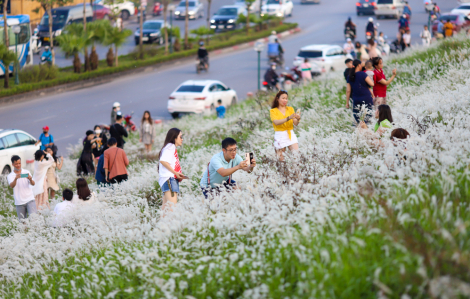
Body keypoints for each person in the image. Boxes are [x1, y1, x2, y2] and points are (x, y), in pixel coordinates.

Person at [158, 128, 186, 214]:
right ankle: (170, 227)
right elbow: (163, 161)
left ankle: (160, 227)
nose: (182, 139)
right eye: (180, 137)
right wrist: (175, 173)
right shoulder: (171, 146)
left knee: (165, 209)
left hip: (167, 180)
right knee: (172, 210)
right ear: (174, 138)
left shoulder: (168, 147)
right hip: (169, 180)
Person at [270, 90, 301, 161]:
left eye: (286, 98)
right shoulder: (273, 111)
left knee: (296, 157)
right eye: (283, 98)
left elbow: (295, 123)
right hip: (280, 135)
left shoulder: (290, 109)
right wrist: (289, 118)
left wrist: (298, 119)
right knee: (281, 160)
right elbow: (276, 122)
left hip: (290, 133)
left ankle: (296, 171)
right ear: (277, 99)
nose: (285, 100)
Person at [7, 155, 37, 221]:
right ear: (12, 164)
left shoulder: (26, 172)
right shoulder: (10, 176)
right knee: (22, 222)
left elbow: (33, 184)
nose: (18, 165)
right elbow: (12, 186)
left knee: (34, 219)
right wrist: (15, 179)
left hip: (30, 199)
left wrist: (30, 179)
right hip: (19, 202)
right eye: (16, 164)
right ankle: (24, 231)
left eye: (19, 163)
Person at [346, 59, 374, 124]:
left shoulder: (349, 76)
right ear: (359, 65)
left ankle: (359, 128)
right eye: (361, 65)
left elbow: (348, 91)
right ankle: (367, 127)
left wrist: (347, 102)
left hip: (356, 99)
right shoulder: (363, 74)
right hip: (366, 97)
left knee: (357, 116)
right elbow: (371, 84)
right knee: (368, 115)